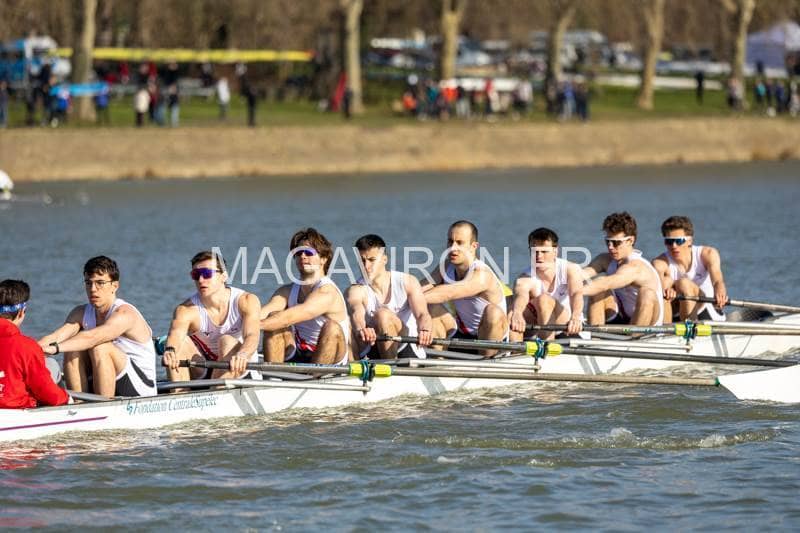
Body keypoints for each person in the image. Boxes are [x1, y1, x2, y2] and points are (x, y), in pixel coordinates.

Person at [38, 256, 157, 398]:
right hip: (105, 378)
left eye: (100, 283)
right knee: (72, 348)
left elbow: (93, 337)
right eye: (88, 283)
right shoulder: (80, 312)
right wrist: (28, 350)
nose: (93, 289)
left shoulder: (125, 314)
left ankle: (103, 405)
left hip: (141, 388)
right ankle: (80, 403)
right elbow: (55, 337)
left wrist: (55, 348)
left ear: (115, 286)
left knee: (100, 347)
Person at [161, 251, 262, 383]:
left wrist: (243, 354)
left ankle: (215, 389)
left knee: (226, 340)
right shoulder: (186, 309)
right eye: (196, 275)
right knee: (178, 346)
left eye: (207, 273)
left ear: (224, 276)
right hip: (203, 367)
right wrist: (170, 350)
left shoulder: (247, 301)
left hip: (239, 365)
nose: (201, 280)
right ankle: (179, 392)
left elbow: (252, 336)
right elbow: (176, 335)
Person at [260, 228, 351, 364]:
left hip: (330, 356)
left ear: (323, 259)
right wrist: (240, 324)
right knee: (273, 317)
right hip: (299, 350)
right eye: (298, 253)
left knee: (332, 327)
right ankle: (273, 374)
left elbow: (289, 318)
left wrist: (255, 326)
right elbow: (262, 313)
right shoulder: (286, 291)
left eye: (308, 252)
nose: (302, 256)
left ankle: (316, 374)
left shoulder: (327, 292)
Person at [422, 220, 508, 357]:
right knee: (430, 306)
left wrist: (413, 299)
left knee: (493, 312)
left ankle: (487, 361)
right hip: (462, 334)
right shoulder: (446, 266)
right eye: (450, 242)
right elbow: (420, 288)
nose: (453, 248)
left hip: (489, 338)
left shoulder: (482, 275)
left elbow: (449, 293)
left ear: (473, 246)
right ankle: (438, 360)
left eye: (459, 243)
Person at [346, 234, 433, 359]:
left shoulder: (408, 282)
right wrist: (361, 329)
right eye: (362, 261)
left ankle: (389, 366)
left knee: (383, 315)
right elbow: (356, 311)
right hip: (374, 345)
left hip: (406, 345)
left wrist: (425, 330)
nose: (366, 266)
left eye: (371, 260)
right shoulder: (356, 289)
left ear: (384, 259)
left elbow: (422, 314)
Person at [583, 212, 663, 326]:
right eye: (608, 241)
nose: (610, 247)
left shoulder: (636, 267)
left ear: (630, 240)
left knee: (647, 293)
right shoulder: (604, 259)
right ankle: (594, 335)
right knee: (598, 291)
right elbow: (580, 274)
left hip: (647, 323)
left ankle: (635, 336)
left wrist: (575, 291)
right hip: (621, 316)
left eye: (616, 243)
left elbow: (606, 283)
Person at [0, 280, 70, 409]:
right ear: (21, 312)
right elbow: (48, 393)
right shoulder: (26, 346)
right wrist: (66, 399)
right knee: (51, 364)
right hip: (15, 409)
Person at [509, 228, 584, 341]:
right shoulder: (524, 278)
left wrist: (576, 316)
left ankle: (546, 346)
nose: (538, 256)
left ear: (555, 251)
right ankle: (514, 348)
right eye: (534, 251)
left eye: (544, 251)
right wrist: (517, 313)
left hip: (568, 326)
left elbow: (576, 294)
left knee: (544, 299)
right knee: (511, 308)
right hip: (540, 325)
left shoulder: (570, 269)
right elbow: (521, 296)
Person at [652, 216, 727, 322]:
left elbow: (717, 281)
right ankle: (665, 329)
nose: (674, 246)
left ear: (690, 241)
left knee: (683, 283)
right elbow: (657, 289)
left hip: (705, 311)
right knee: (664, 285)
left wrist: (720, 291)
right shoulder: (659, 262)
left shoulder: (708, 254)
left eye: (679, 241)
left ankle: (689, 327)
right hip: (674, 313)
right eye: (669, 241)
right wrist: (666, 289)